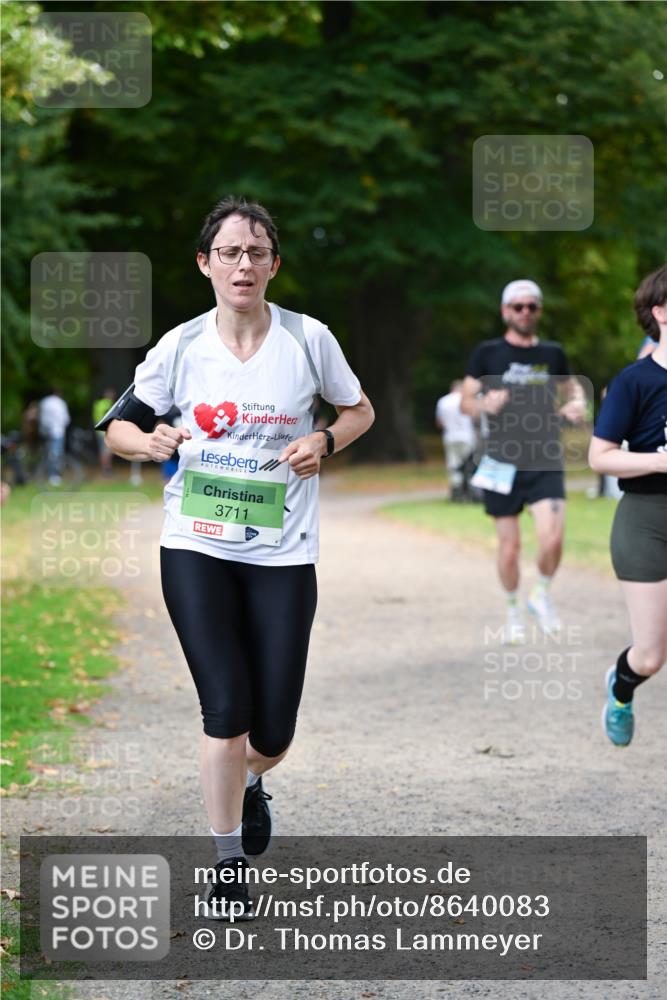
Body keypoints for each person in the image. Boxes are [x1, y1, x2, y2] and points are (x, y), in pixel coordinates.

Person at [100, 196, 374, 918]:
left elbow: (358, 410)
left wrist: (324, 441)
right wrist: (150, 442)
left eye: (256, 252)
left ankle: (253, 782)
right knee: (225, 709)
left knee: (272, 730)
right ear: (205, 264)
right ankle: (225, 862)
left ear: (273, 265)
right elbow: (119, 428)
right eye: (229, 252)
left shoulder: (309, 339)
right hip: (196, 546)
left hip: (283, 552)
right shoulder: (181, 345)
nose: (243, 264)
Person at [461, 280, 586, 643]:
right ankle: (513, 609)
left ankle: (541, 593)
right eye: (518, 306)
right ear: (505, 311)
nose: (526, 312)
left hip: (545, 456)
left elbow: (572, 389)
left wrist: (577, 402)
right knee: (510, 547)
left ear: (539, 311)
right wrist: (484, 404)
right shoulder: (487, 352)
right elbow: (465, 402)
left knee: (553, 539)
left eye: (532, 306)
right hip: (501, 459)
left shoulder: (553, 352)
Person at [589, 264, 667, 747]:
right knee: (652, 654)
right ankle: (622, 684)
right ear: (660, 312)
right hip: (646, 521)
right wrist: (660, 463)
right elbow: (600, 457)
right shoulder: (635, 382)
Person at [435, 380, 477, 501]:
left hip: (450, 436)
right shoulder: (467, 400)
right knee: (469, 464)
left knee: (453, 463)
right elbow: (475, 418)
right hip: (467, 436)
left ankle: (456, 490)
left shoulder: (443, 401)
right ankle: (470, 490)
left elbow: (439, 422)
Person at [38, 387, 71, 486]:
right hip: (58, 431)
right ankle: (54, 476)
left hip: (46, 432)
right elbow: (66, 419)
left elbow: (42, 418)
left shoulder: (44, 402)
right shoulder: (60, 402)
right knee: (56, 454)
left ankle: (48, 473)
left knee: (48, 453)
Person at [92, 388, 116, 476]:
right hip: (106, 432)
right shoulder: (108, 404)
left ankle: (105, 469)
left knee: (103, 451)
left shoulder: (98, 404)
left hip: (99, 431)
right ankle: (107, 470)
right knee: (107, 451)